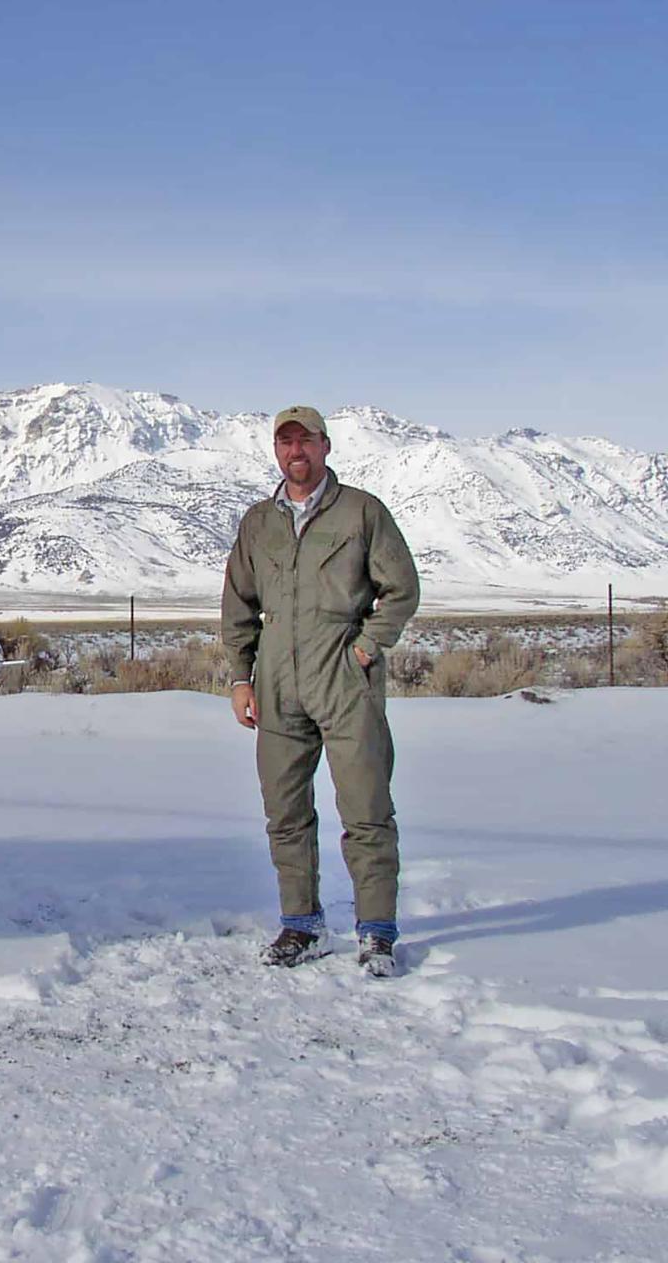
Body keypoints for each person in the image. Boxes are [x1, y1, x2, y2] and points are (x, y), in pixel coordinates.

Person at [221, 406, 420, 977]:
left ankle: (376, 932)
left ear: (325, 446)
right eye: (284, 443)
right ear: (276, 452)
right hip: (276, 682)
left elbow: (401, 588)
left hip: (343, 679)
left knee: (366, 808)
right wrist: (241, 677)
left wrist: (366, 645)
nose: (295, 452)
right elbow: (238, 605)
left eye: (304, 441)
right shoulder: (259, 522)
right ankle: (301, 925)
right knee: (285, 812)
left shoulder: (361, 512)